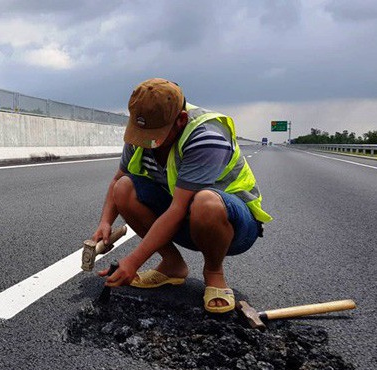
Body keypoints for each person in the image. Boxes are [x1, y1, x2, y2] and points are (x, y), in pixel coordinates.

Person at [92, 78, 272, 313]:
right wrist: (105, 222)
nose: (148, 144)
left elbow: (178, 209)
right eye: (142, 134)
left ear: (181, 121)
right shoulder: (141, 132)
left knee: (205, 202)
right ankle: (172, 265)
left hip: (231, 225)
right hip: (184, 217)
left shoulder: (206, 136)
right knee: (124, 188)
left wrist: (133, 262)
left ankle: (214, 273)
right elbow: (118, 179)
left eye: (156, 137)